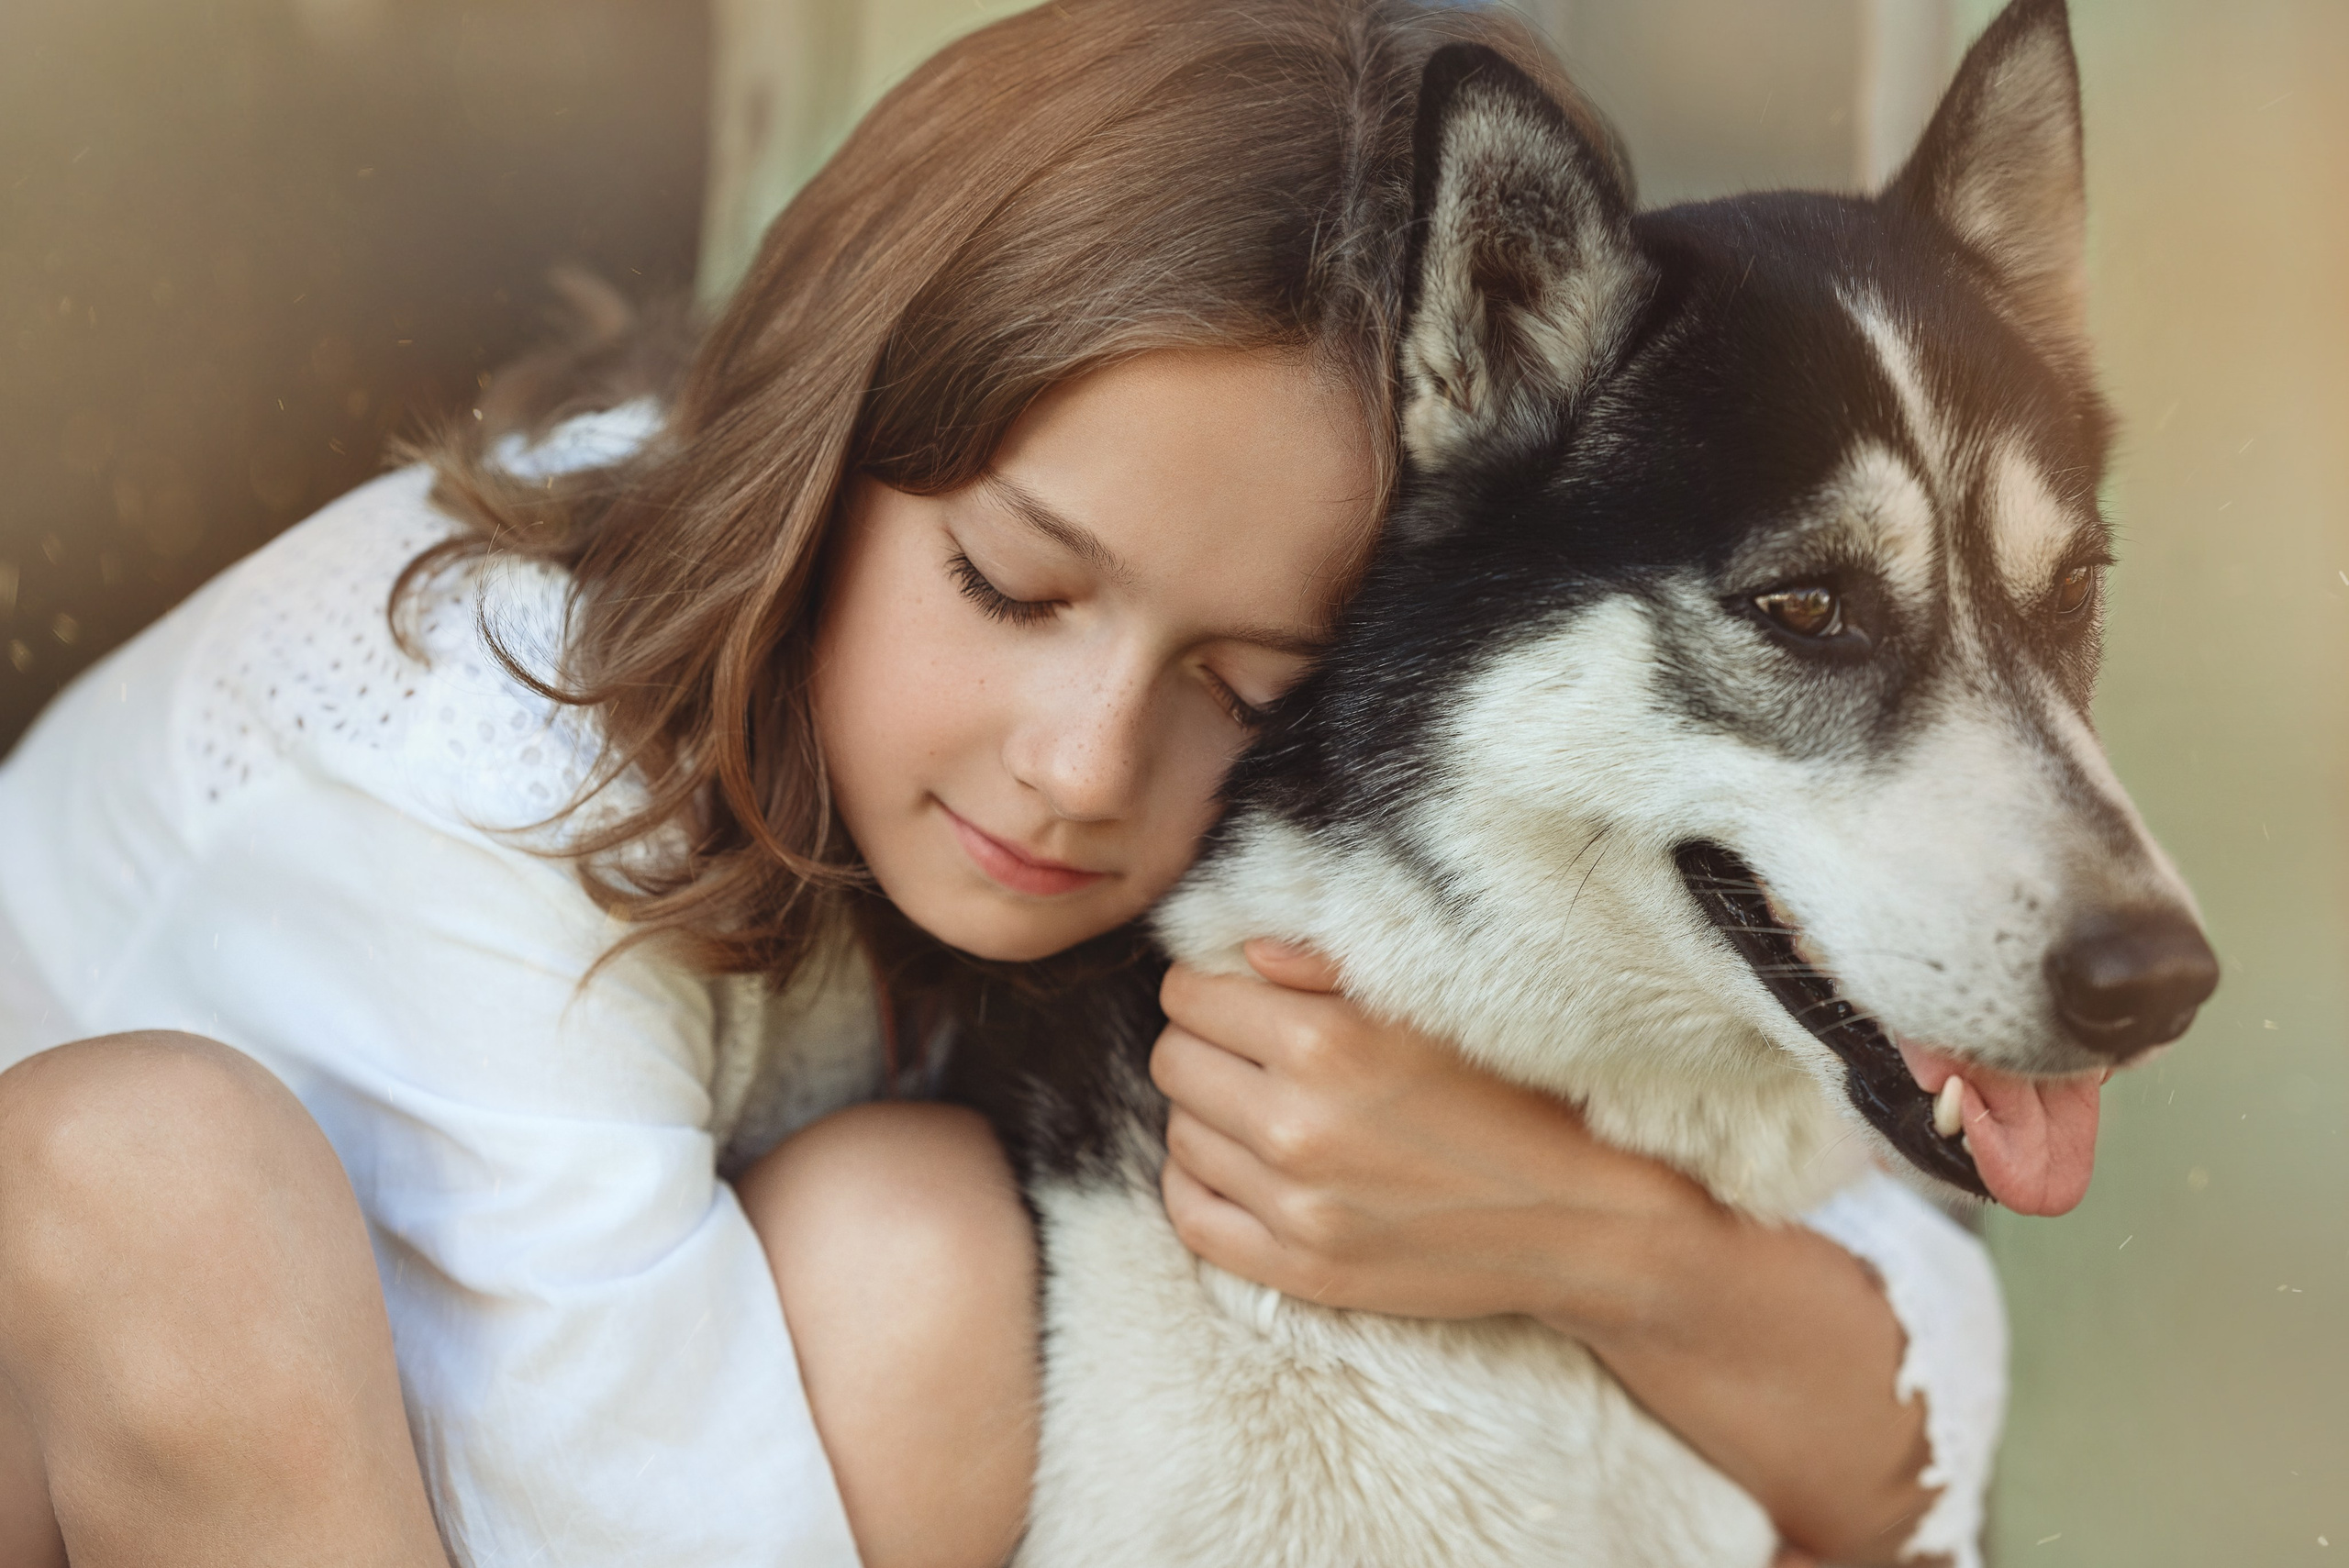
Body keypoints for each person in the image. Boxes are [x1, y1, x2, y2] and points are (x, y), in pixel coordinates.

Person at [0, 2, 2005, 1565]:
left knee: (915, 1242)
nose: (1080, 770)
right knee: (157, 1167)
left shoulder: (1188, 753)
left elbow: (1908, 1384)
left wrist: (1585, 1233)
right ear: (827, 434)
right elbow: (641, 1532)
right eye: (1011, 583)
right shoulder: (474, 780)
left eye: (1243, 679)